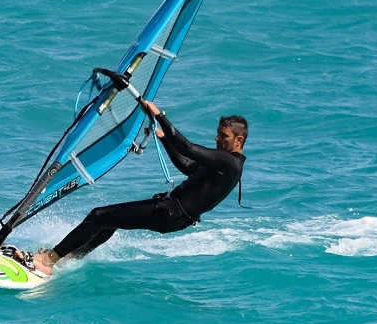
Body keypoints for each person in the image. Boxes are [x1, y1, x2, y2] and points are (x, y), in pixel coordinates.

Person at [28, 98, 247, 275]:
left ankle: (49, 259)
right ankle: (71, 256)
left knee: (98, 216)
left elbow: (188, 148)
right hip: (174, 216)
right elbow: (188, 166)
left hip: (170, 212)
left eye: (223, 136)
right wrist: (163, 138)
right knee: (109, 222)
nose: (217, 139)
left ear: (238, 140)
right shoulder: (227, 164)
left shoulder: (229, 162)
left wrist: (159, 115)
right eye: (218, 133)